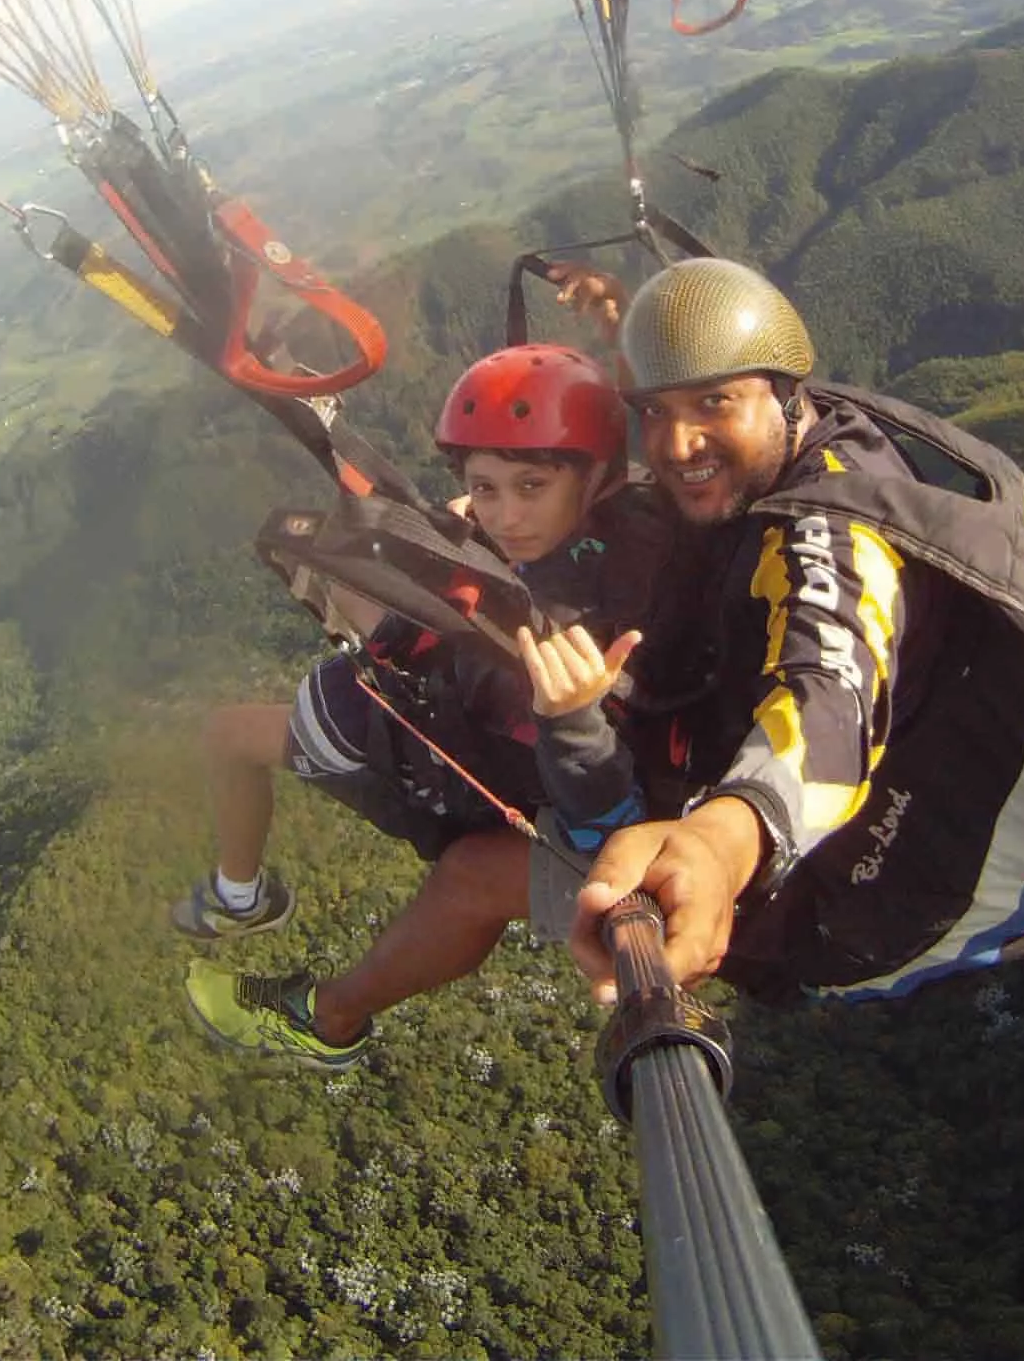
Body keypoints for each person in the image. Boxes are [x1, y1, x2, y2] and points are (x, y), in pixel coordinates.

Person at [561, 256, 1024, 1003]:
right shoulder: (810, 431)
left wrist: (723, 841)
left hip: (916, 872)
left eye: (713, 402)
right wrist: (636, 325)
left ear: (786, 396)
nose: (677, 443)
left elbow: (830, 691)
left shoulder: (835, 541)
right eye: (654, 410)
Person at [177, 342, 665, 1067]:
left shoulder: (559, 639)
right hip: (458, 730)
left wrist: (572, 718)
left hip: (416, 743)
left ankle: (271, 944)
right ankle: (251, 915)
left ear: (595, 479)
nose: (506, 512)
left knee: (228, 736)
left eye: (531, 487)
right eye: (487, 487)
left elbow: (600, 815)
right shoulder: (614, 532)